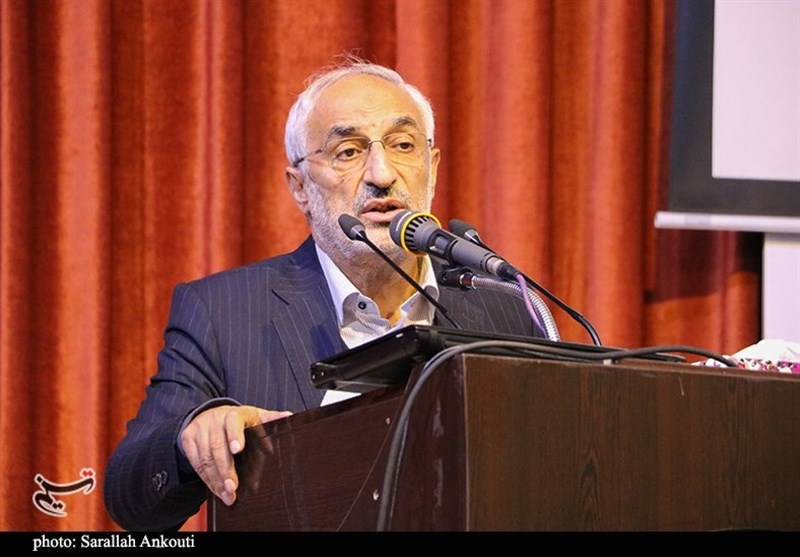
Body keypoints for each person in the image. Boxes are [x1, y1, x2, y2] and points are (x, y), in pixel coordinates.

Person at [103, 57, 546, 532]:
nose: (382, 174)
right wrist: (192, 438)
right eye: (348, 152)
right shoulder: (223, 313)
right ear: (299, 186)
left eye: (402, 145)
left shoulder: (505, 309)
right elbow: (130, 498)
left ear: (431, 169)